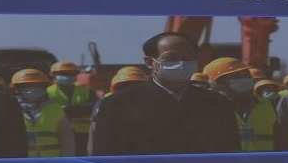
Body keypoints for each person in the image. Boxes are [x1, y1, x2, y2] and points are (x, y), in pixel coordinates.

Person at [89, 31, 240, 156]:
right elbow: (105, 158)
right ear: (150, 62)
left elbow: (230, 154)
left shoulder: (217, 104)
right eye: (171, 58)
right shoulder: (117, 105)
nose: (181, 63)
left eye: (188, 58)